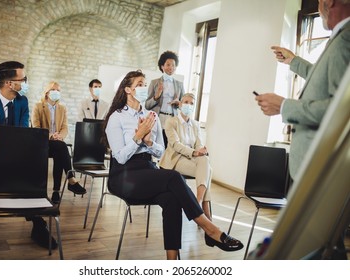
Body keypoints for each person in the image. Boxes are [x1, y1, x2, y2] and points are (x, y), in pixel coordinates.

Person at [105, 70, 243, 260]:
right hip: (124, 175)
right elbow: (119, 157)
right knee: (173, 176)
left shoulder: (151, 115)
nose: (145, 88)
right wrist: (138, 138)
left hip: (147, 170)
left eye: (145, 83)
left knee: (172, 199)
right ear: (128, 89)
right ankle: (209, 228)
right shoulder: (117, 117)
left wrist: (149, 142)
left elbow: (161, 151)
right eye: (140, 84)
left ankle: (172, 261)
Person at [255, 0, 350, 259]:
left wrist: (284, 106)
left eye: (319, 1)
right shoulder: (340, 36)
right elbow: (326, 81)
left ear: (329, 2)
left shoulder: (345, 40)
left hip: (318, 167)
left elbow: (340, 110)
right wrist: (294, 61)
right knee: (323, 247)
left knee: (313, 248)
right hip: (310, 165)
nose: (319, 5)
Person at [0, 61, 57, 250]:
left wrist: (21, 153)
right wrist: (17, 157)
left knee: (32, 165)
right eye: (23, 79)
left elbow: (21, 134)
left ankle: (37, 221)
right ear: (9, 83)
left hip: (11, 151)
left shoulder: (22, 101)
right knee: (20, 169)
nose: (25, 82)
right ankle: (38, 222)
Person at [159, 93, 212, 219]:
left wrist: (202, 150)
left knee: (205, 161)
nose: (189, 105)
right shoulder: (171, 122)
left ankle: (197, 203)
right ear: (180, 104)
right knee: (208, 170)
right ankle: (206, 212)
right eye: (186, 102)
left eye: (192, 103)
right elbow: (175, 145)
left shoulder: (196, 125)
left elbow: (199, 144)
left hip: (192, 159)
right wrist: (195, 153)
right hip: (175, 160)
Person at [32, 81, 86, 204]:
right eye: (54, 89)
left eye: (58, 90)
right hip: (41, 142)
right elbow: (36, 127)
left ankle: (56, 191)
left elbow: (65, 127)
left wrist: (60, 136)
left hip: (57, 143)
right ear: (47, 92)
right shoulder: (38, 106)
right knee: (61, 148)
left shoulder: (62, 108)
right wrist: (51, 136)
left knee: (60, 150)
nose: (56, 92)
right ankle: (71, 180)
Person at [145, 51, 185, 147]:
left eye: (173, 65)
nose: (171, 67)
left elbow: (184, 106)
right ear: (162, 66)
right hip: (158, 117)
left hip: (172, 118)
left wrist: (178, 103)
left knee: (170, 146)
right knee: (157, 144)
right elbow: (147, 105)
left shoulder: (179, 85)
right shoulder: (154, 83)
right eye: (168, 65)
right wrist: (156, 97)